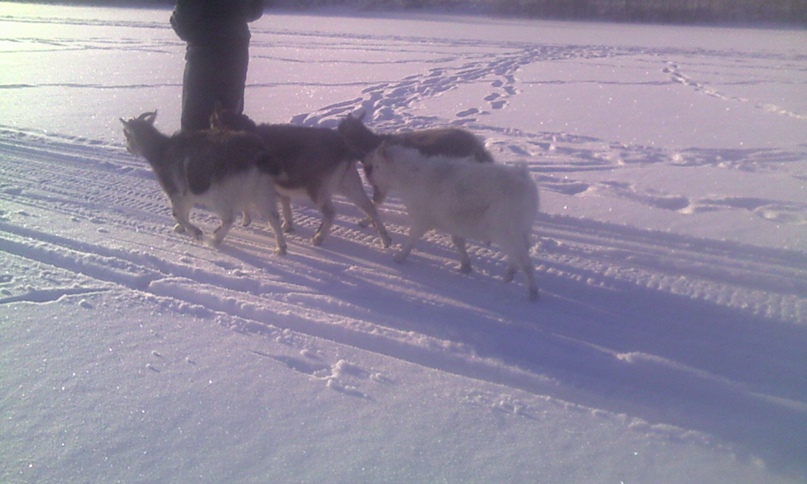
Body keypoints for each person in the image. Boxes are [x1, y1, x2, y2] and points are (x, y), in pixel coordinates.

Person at [171, 0, 264, 132]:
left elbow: (183, 19)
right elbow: (255, 10)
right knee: (229, 117)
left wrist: (200, 34)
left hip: (205, 50)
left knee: (196, 119)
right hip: (235, 47)